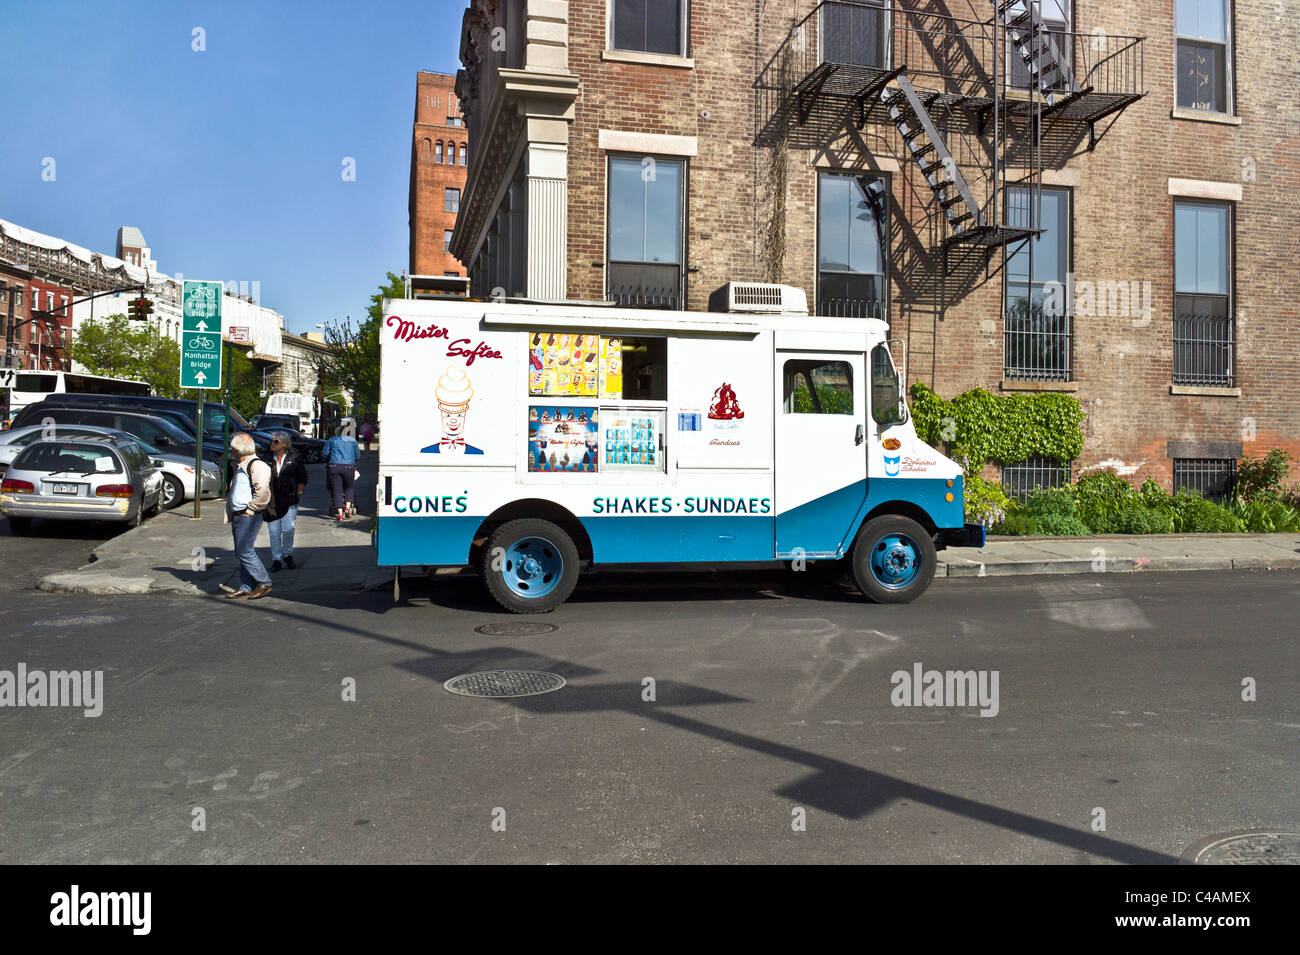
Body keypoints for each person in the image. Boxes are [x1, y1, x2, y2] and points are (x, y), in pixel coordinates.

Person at [224, 432, 273, 599]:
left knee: (244, 550)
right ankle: (246, 586)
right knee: (241, 551)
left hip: (249, 514)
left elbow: (263, 492)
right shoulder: (242, 464)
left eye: (232, 448)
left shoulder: (257, 465)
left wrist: (250, 510)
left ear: (238, 449)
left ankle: (264, 582)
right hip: (240, 514)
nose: (231, 451)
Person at [260, 430, 308, 571]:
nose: (272, 444)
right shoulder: (266, 458)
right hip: (271, 500)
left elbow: (302, 478)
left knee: (288, 529)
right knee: (274, 531)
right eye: (271, 441)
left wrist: (298, 493)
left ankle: (287, 554)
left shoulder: (294, 458)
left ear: (285, 444)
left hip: (289, 498)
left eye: (275, 441)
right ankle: (276, 559)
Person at [323, 424, 360, 521]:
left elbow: (325, 453)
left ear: (340, 432)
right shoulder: (353, 441)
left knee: (336, 490)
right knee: (349, 487)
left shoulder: (332, 440)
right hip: (349, 467)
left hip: (334, 467)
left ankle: (340, 514)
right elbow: (358, 455)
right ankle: (347, 508)